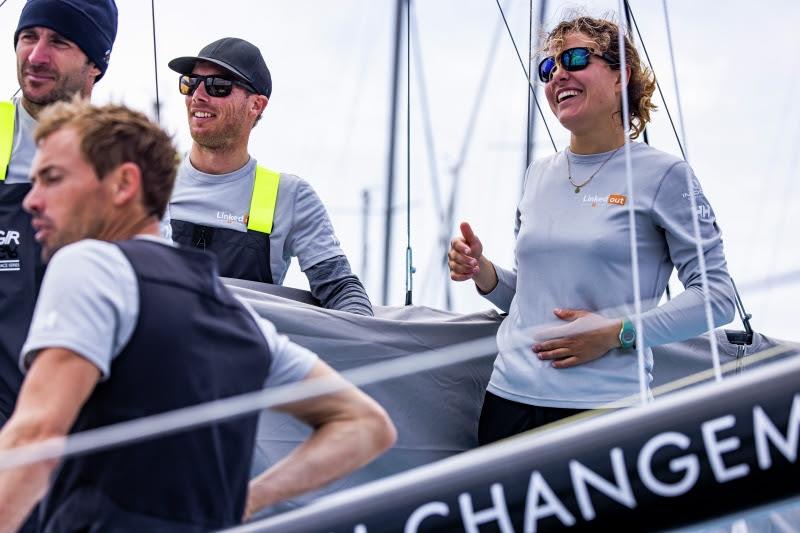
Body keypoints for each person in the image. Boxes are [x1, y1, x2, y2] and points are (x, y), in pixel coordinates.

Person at [0, 100, 396, 531]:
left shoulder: (92, 265)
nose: (33, 200)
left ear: (123, 185)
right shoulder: (239, 319)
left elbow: (35, 438)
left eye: (52, 179)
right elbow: (365, 425)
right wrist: (243, 503)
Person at [448, 15, 735, 445]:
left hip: (609, 411)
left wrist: (618, 334)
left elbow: (718, 297)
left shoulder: (665, 175)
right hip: (508, 402)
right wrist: (484, 273)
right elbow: (531, 299)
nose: (558, 74)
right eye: (549, 68)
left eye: (576, 58)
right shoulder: (536, 175)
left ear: (622, 76)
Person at [166, 37, 373, 316]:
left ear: (257, 105)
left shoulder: (288, 196)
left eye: (219, 86)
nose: (198, 96)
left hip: (242, 356)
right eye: (190, 83)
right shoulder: (152, 180)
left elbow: (339, 288)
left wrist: (362, 340)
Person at [0, 0, 118, 426]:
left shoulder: (126, 162)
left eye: (59, 41)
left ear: (95, 65)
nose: (36, 56)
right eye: (28, 37)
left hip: (86, 431)